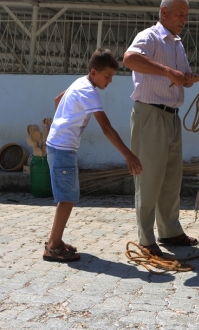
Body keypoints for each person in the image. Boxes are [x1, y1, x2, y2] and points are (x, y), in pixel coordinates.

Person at [43, 48, 142, 262]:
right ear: (94, 72)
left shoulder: (80, 82)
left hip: (57, 144)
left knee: (66, 196)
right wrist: (128, 155)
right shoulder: (89, 92)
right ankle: (52, 246)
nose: (110, 81)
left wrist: (63, 121)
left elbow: (57, 100)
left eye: (112, 77)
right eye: (108, 76)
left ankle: (56, 242)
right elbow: (106, 128)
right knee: (67, 198)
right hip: (63, 148)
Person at [123, 0, 199, 257]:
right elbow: (130, 59)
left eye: (186, 15)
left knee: (170, 177)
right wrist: (168, 72)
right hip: (150, 114)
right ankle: (146, 240)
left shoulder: (177, 45)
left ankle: (169, 230)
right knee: (148, 179)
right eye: (180, 14)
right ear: (164, 13)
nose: (184, 20)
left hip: (171, 116)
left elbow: (182, 76)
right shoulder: (150, 36)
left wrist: (188, 78)